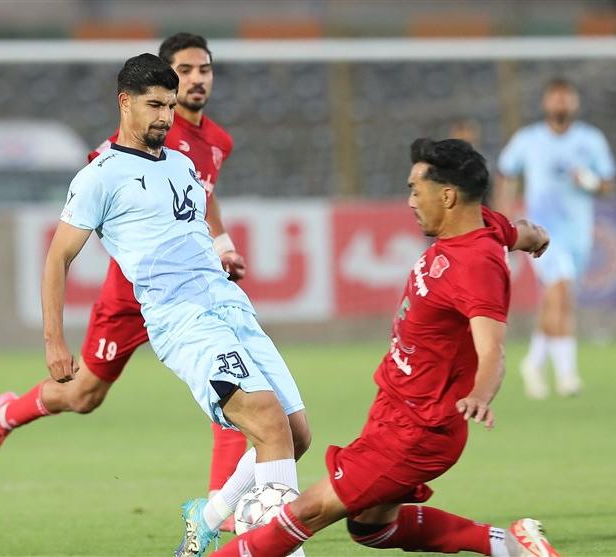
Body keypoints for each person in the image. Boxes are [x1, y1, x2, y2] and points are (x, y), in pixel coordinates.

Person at [209, 138, 559, 557]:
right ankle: (511, 546)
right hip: (393, 410)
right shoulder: (484, 224)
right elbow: (517, 231)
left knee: (304, 512)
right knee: (371, 527)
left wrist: (480, 395)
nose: (410, 201)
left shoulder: (477, 265)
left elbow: (492, 350)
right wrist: (535, 237)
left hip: (417, 430)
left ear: (447, 196)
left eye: (416, 190)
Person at [0, 33, 250, 530]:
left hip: (191, 295)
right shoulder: (138, 143)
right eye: (184, 70)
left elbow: (202, 195)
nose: (196, 80)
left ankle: (221, 504)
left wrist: (222, 243)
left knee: (230, 379)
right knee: (83, 396)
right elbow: (103, 185)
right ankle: (9, 413)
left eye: (204, 69)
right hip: (130, 296)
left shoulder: (215, 143)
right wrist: (54, 338)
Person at [496, 78, 615, 399]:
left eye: (566, 98)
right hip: (542, 233)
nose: (561, 103)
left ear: (575, 103)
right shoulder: (528, 139)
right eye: (556, 98)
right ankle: (567, 374)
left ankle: (534, 362)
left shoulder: (590, 139)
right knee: (559, 290)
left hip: (578, 232)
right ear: (546, 103)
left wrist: (589, 181)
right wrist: (504, 219)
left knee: (558, 298)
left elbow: (607, 182)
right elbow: (505, 172)